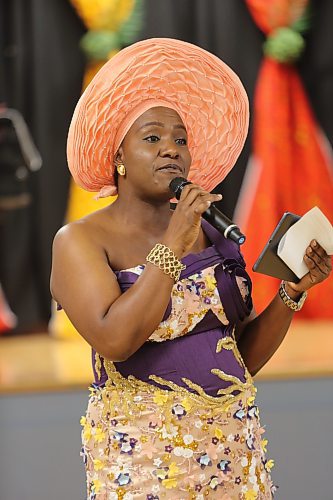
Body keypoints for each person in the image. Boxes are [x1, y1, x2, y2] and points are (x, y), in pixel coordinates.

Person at [50, 38, 331, 500]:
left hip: (234, 453)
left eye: (180, 139)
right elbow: (116, 340)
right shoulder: (80, 241)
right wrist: (172, 245)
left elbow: (240, 359)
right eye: (152, 137)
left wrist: (290, 293)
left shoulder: (213, 236)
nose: (171, 149)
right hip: (143, 460)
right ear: (118, 157)